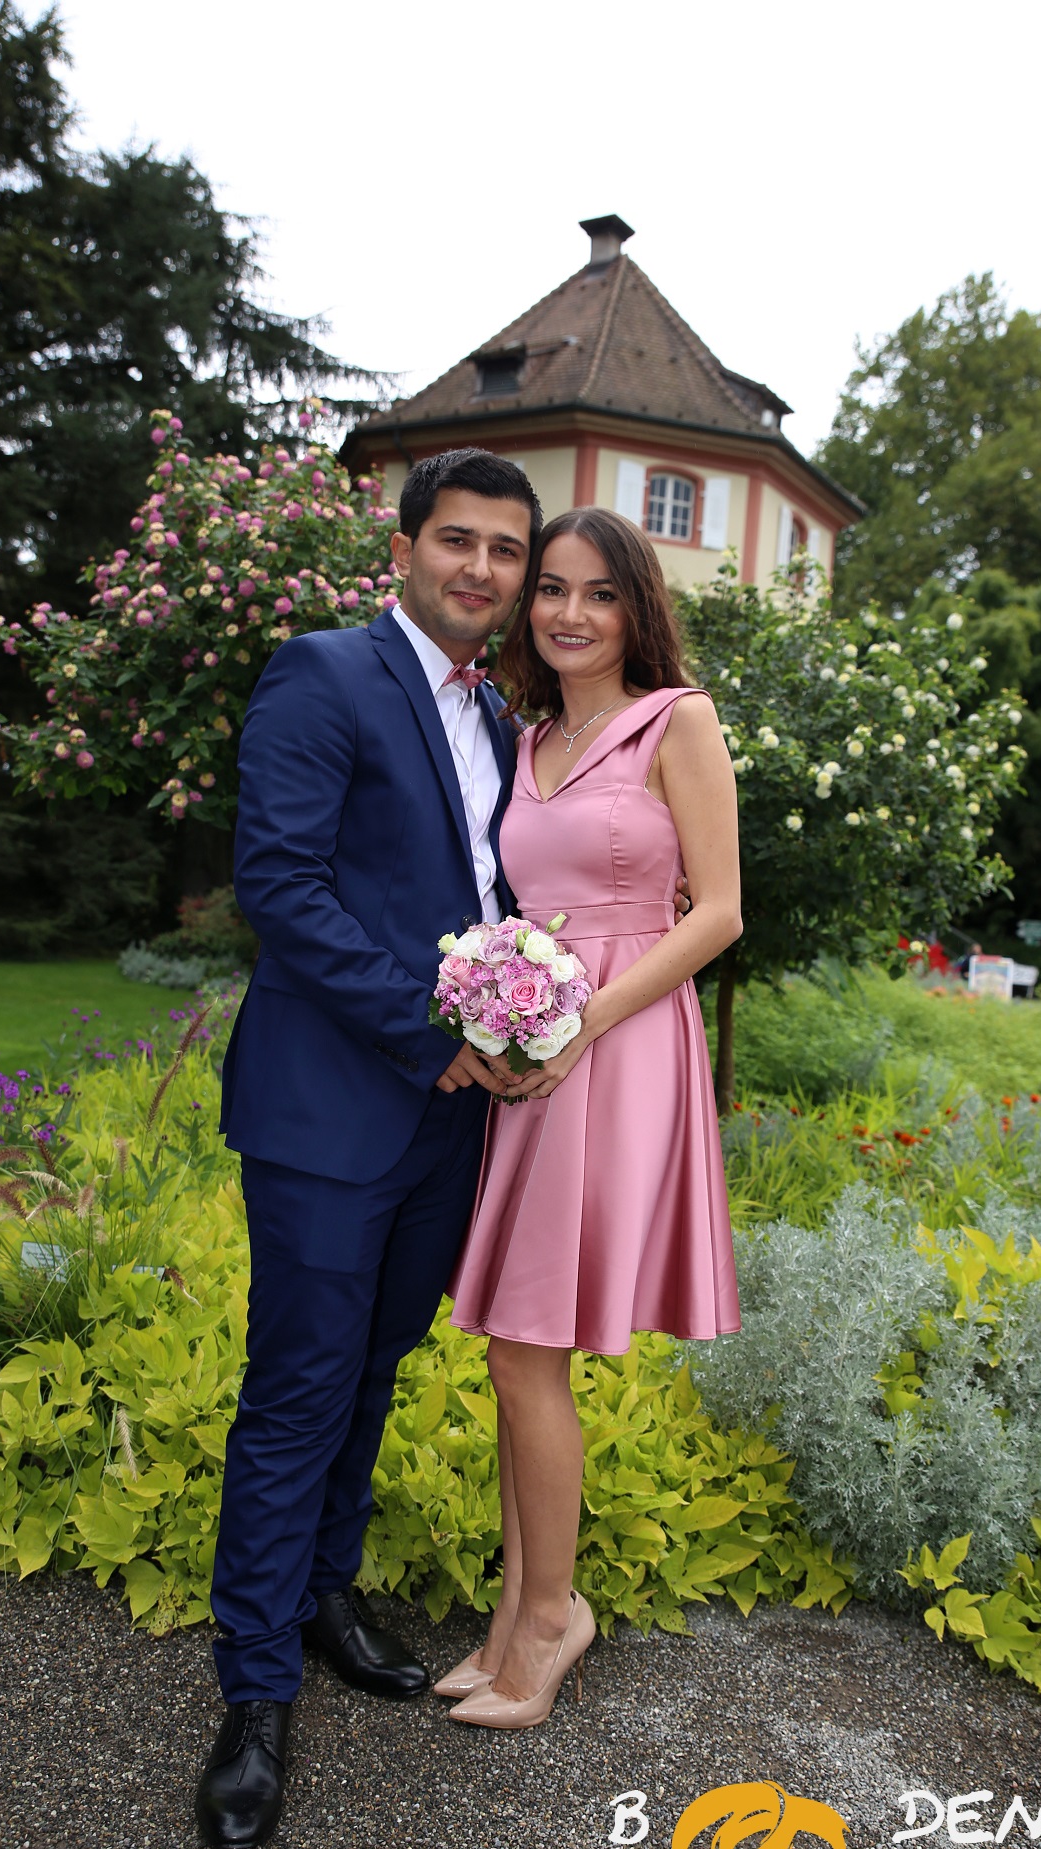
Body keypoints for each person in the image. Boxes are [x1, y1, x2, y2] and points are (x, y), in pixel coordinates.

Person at [194, 447, 543, 1849]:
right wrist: (428, 1027)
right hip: (331, 1108)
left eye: (504, 552)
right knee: (298, 1389)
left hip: (452, 1121)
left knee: (378, 1364)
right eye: (456, 541)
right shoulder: (324, 673)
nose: (480, 569)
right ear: (403, 549)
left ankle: (325, 1593)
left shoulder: (506, 719)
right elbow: (278, 881)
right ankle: (254, 1697)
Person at [439, 507, 742, 1729]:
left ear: (636, 610)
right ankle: (520, 1612)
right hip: (538, 1053)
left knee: (526, 1347)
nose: (567, 613)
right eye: (550, 590)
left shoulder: (680, 722)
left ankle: (552, 1622)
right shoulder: (526, 742)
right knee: (518, 1343)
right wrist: (504, 1015)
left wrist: (584, 1021)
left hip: (616, 1046)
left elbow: (716, 912)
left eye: (598, 594)